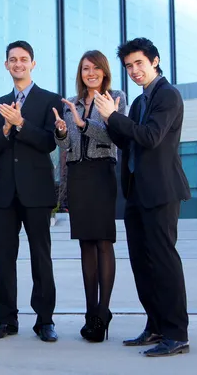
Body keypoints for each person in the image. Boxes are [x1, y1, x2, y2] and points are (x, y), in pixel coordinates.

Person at [95, 37, 191, 357]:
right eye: (128, 66)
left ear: (154, 61)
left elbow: (150, 137)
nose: (134, 70)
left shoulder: (168, 96)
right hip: (136, 192)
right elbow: (129, 142)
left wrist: (113, 117)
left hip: (162, 191)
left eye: (139, 63)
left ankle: (176, 333)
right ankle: (155, 326)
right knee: (141, 264)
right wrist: (109, 120)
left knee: (163, 262)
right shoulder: (138, 103)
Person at [0, 41, 61, 343]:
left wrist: (21, 123)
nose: (18, 64)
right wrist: (4, 128)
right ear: (6, 65)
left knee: (41, 256)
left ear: (33, 63)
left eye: (24, 59)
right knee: (4, 258)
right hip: (3, 192)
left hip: (37, 191)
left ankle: (45, 321)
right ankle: (6, 320)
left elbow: (48, 143)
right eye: (13, 60)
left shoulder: (49, 99)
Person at [54, 50, 126, 342]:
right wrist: (61, 131)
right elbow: (67, 145)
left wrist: (84, 124)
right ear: (80, 73)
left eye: (96, 67)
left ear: (105, 71)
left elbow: (116, 137)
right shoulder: (73, 102)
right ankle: (90, 312)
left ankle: (104, 312)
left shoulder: (115, 97)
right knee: (85, 245)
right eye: (85, 68)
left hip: (101, 173)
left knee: (103, 243)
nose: (91, 72)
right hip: (78, 176)